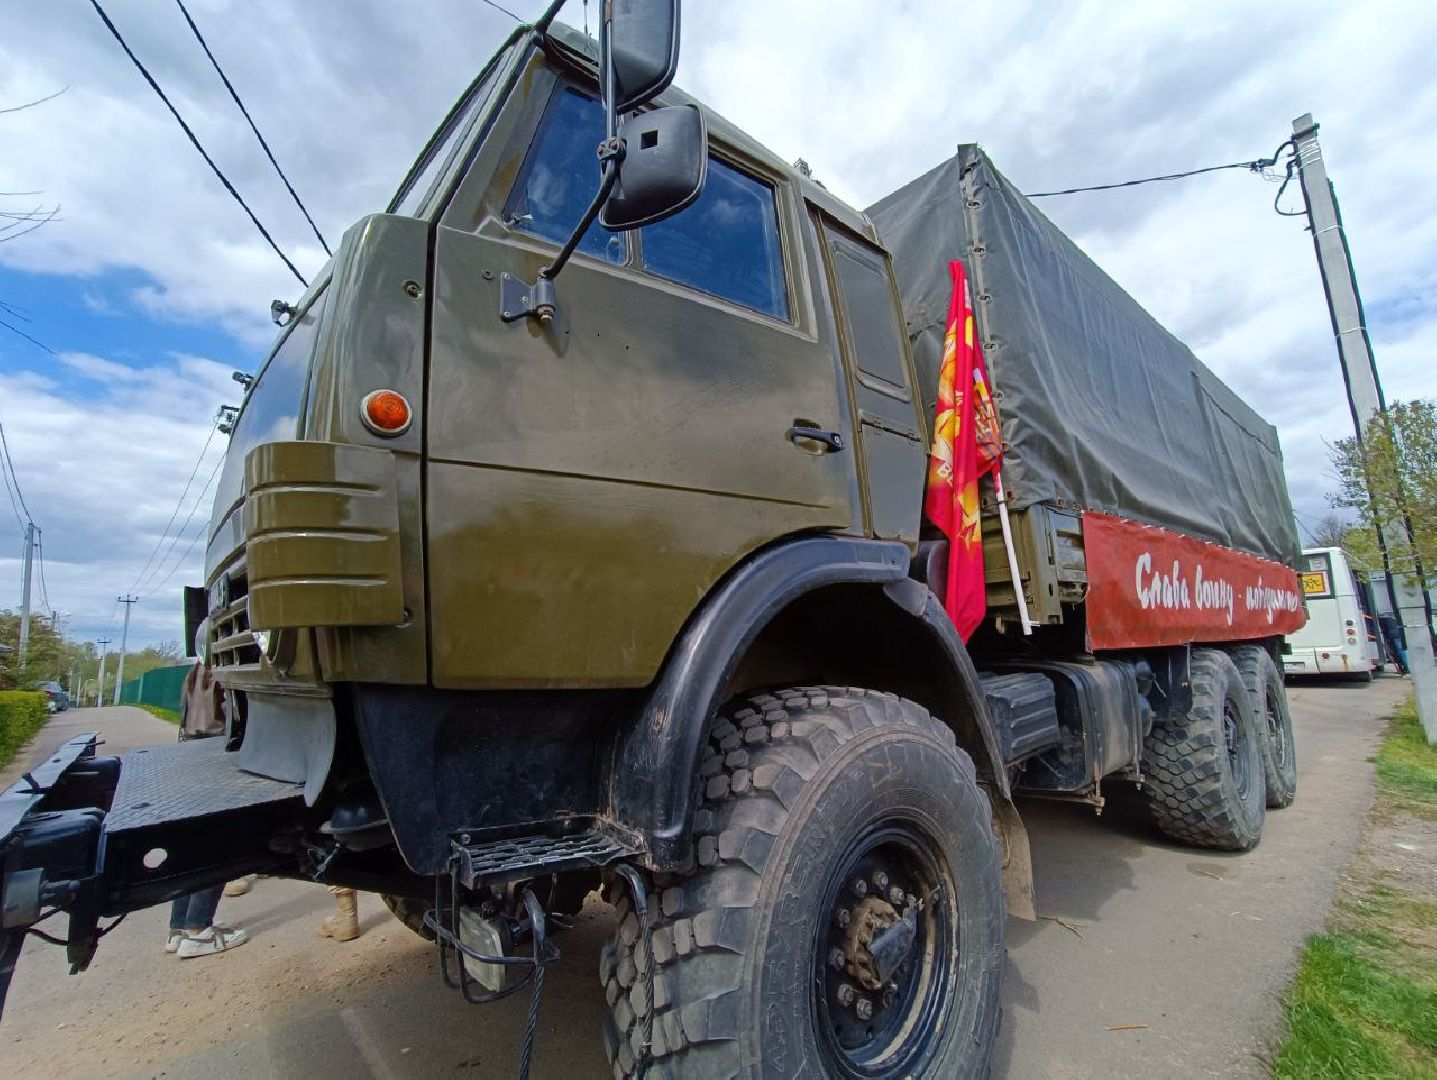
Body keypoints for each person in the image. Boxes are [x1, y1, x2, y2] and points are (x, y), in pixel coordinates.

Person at [163, 662, 250, 957]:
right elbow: (235, 713)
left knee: (191, 844)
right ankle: (198, 931)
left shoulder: (193, 673)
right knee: (217, 843)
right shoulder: (223, 670)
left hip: (190, 750)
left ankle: (178, 928)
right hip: (217, 751)